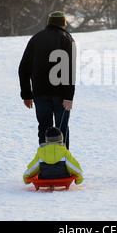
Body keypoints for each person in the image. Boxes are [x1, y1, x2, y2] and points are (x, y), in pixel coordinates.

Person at [19, 11, 76, 148]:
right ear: (63, 24)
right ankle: (63, 163)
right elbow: (69, 70)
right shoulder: (67, 39)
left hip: (40, 93)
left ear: (49, 23)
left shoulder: (35, 39)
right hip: (61, 95)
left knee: (44, 128)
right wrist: (69, 97)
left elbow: (23, 69)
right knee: (62, 129)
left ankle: (44, 163)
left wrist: (27, 94)